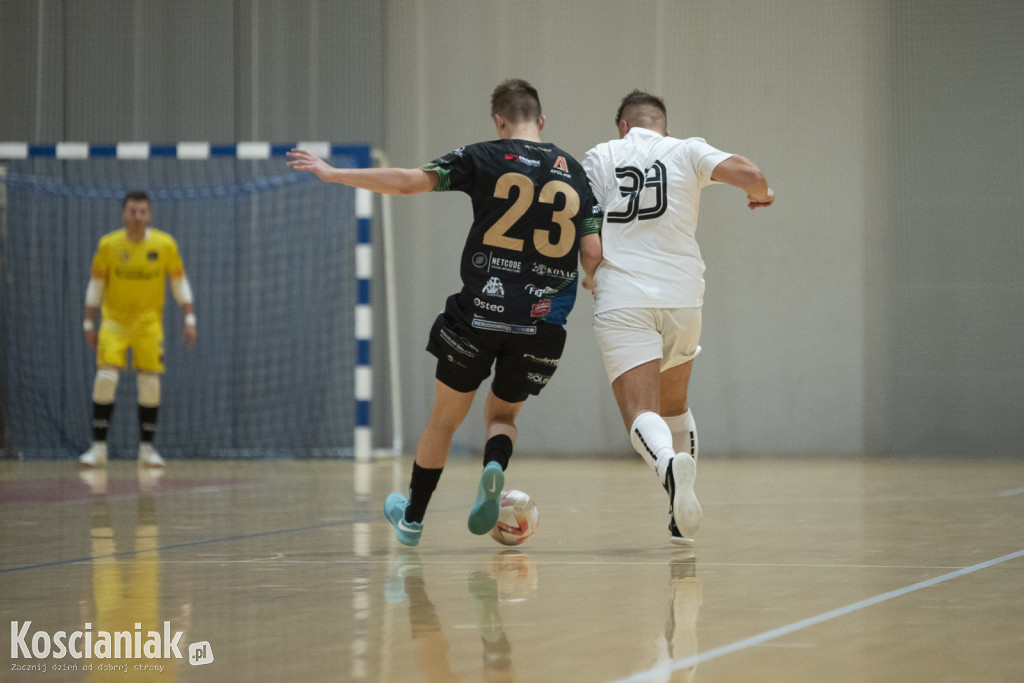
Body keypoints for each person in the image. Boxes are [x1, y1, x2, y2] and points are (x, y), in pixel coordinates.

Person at [288, 78, 600, 547]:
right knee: (503, 418)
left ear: (499, 121)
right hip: (541, 323)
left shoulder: (484, 155)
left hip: (477, 316)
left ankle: (412, 520)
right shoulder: (575, 172)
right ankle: (493, 467)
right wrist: (592, 283)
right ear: (541, 119)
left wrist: (334, 174)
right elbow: (592, 252)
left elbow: (410, 183)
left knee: (444, 421)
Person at [582, 90, 774, 545]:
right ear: (663, 127)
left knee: (640, 413)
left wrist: (589, 275)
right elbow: (752, 174)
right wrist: (760, 194)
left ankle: (669, 468)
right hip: (683, 296)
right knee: (674, 405)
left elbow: (587, 235)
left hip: (624, 296)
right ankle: (677, 512)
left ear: (622, 125)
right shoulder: (685, 149)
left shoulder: (600, 156)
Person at [79, 191, 197, 468]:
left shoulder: (164, 244)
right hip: (113, 323)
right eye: (132, 211)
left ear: (149, 215)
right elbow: (95, 286)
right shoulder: (108, 245)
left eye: (142, 211)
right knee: (106, 378)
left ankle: (147, 449)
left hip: (148, 324)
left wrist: (189, 318)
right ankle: (98, 448)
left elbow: (179, 283)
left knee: (149, 383)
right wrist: (88, 322)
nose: (137, 217)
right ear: (123, 213)